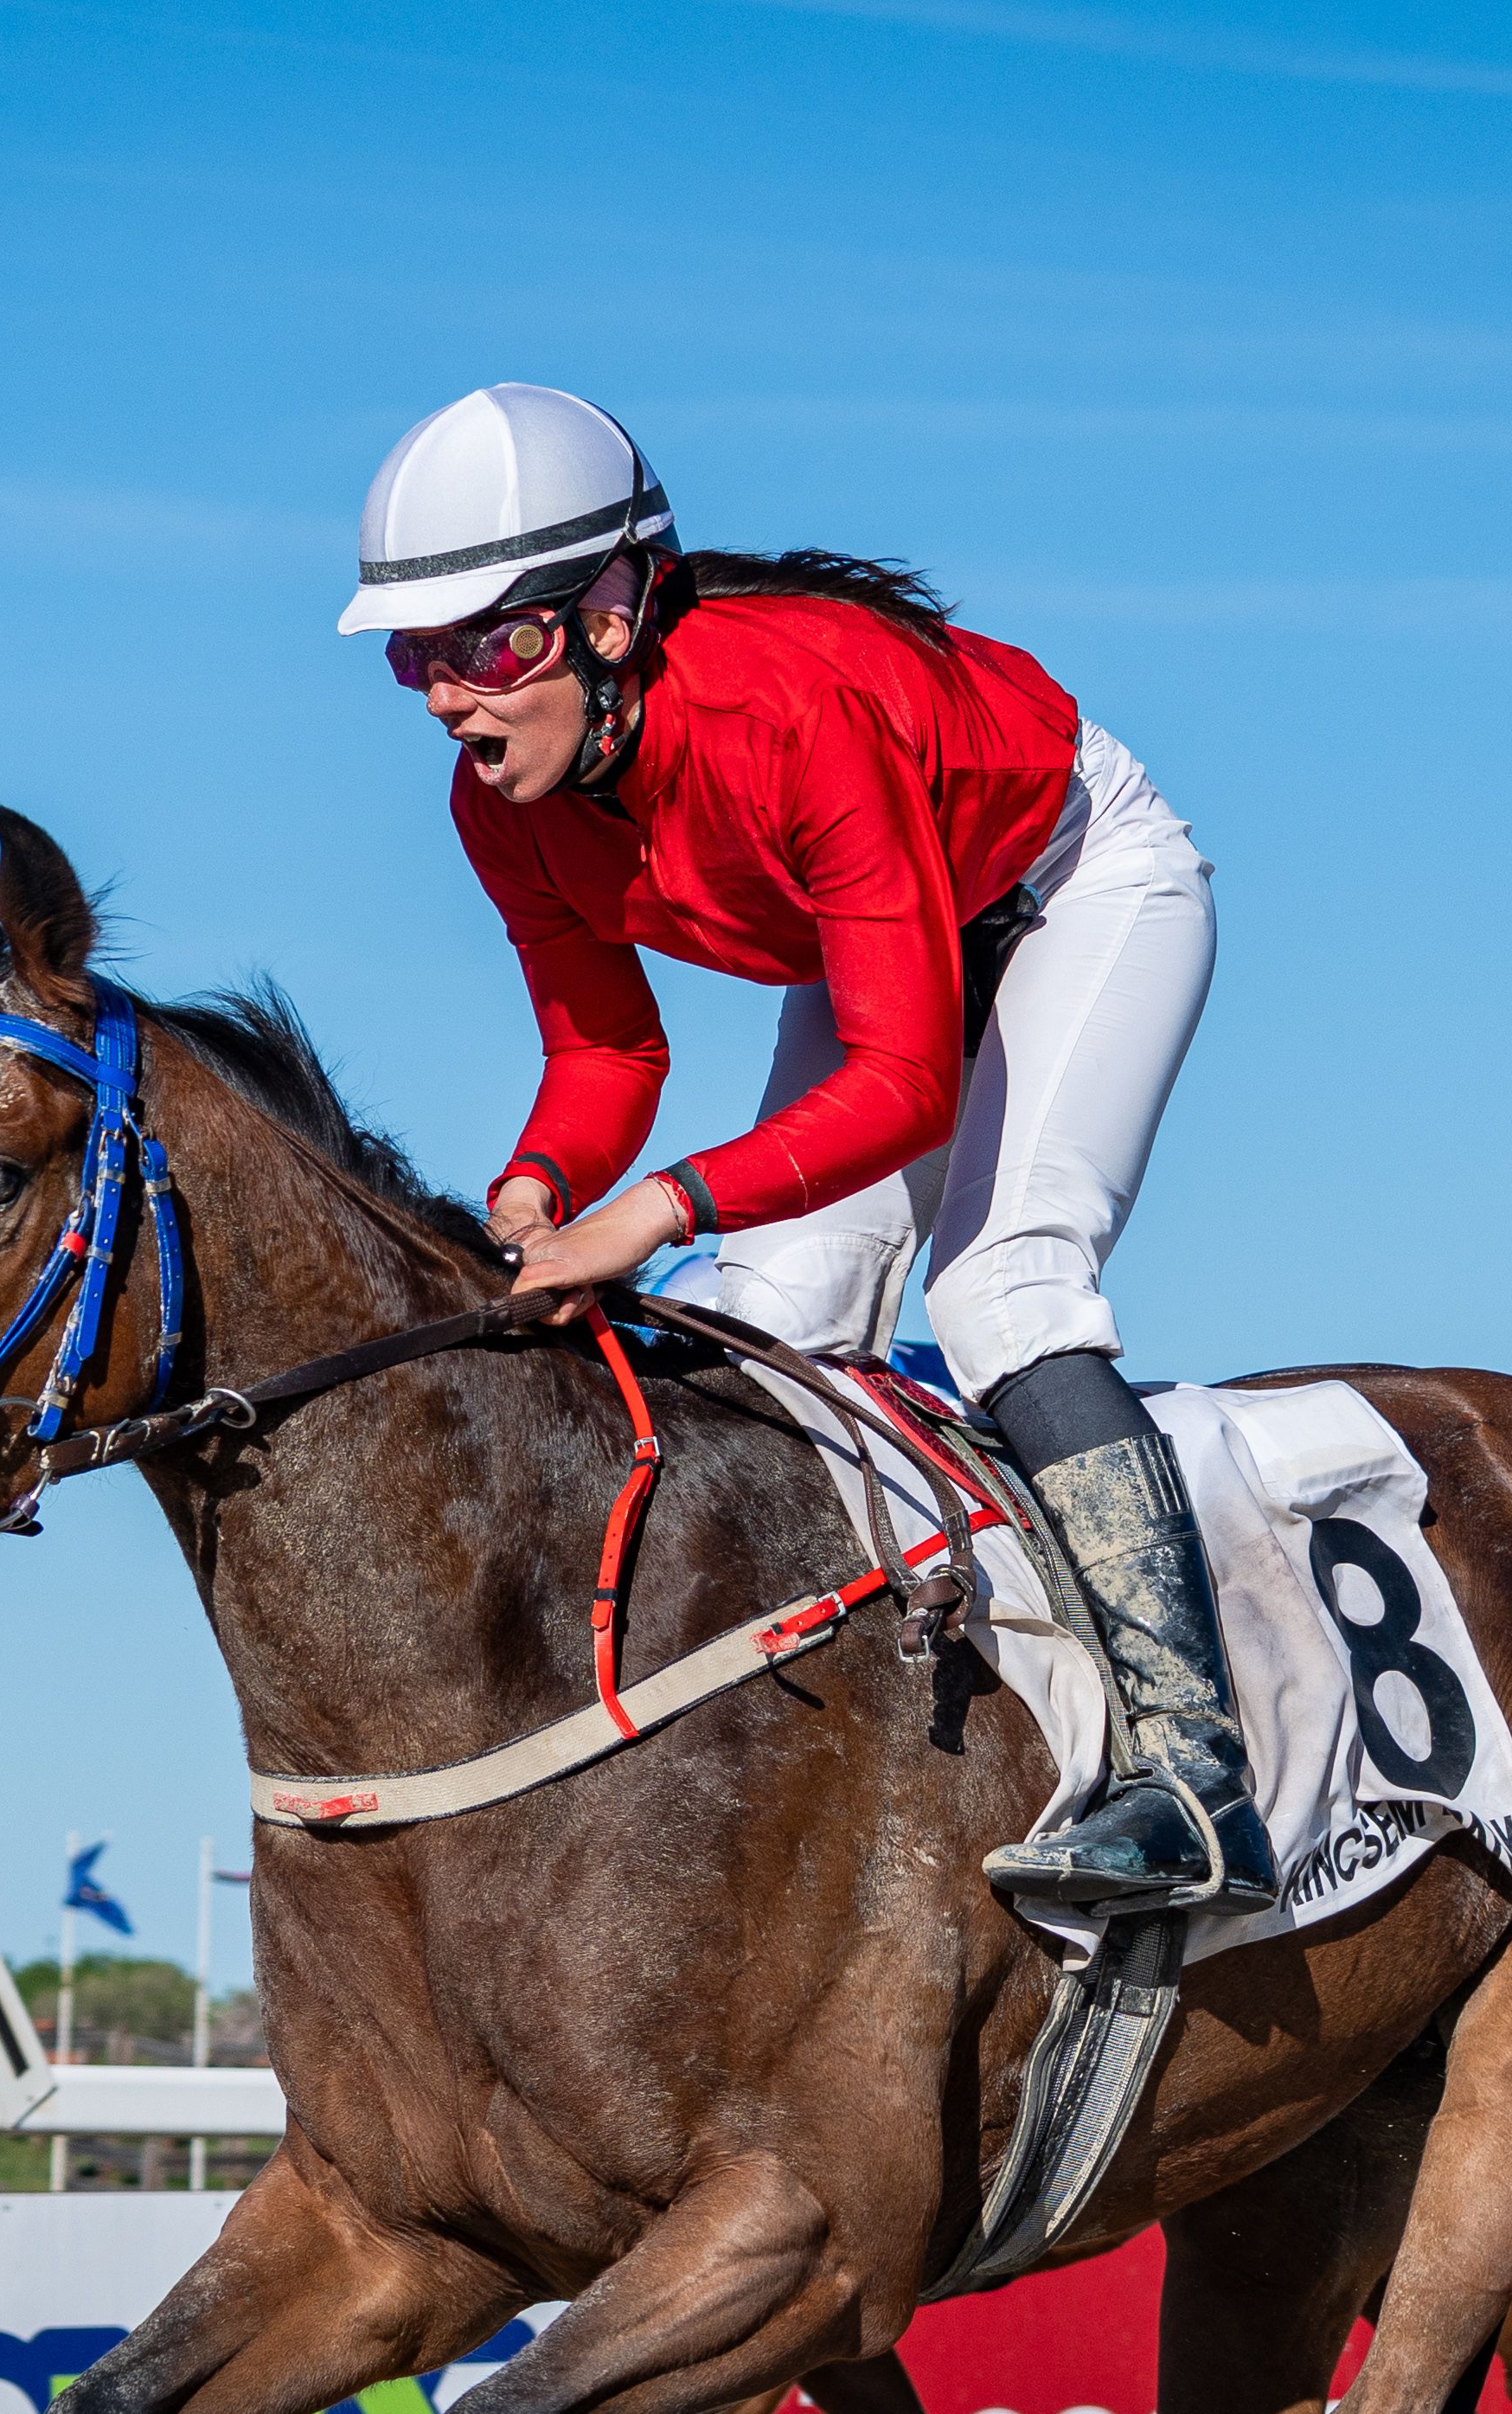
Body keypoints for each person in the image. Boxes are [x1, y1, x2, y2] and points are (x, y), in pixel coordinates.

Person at [338, 381, 1262, 1920]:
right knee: (755, 1331)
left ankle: (1193, 1774)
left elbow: (904, 1080)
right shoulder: (498, 801)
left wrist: (648, 1210)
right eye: (417, 657)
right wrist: (534, 1189)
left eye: (489, 646)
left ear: (616, 611)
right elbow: (605, 1052)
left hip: (1070, 882)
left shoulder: (788, 710)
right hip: (877, 940)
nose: (450, 696)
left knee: (1003, 1290)